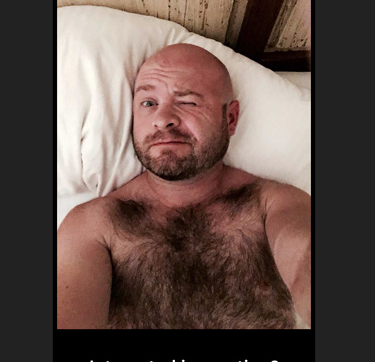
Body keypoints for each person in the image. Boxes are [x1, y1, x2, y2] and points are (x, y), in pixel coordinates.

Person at [57, 43, 311, 330]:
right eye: (148, 103)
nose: (162, 119)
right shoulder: (94, 226)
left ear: (230, 119)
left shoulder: (274, 205)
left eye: (188, 102)